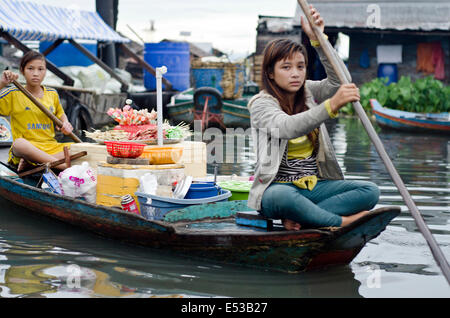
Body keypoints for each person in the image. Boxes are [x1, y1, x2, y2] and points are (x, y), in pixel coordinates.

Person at [247, 6, 380, 230]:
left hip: (313, 187)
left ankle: (302, 217)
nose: (296, 73)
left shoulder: (307, 91)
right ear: (271, 73)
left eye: (300, 66)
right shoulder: (261, 103)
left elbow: (341, 80)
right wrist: (331, 105)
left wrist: (318, 39)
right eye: (286, 67)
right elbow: (287, 127)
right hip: (276, 189)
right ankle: (341, 222)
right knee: (284, 198)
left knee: (370, 192)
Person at [0, 51, 74, 171]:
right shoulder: (13, 93)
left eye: (40, 69)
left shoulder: (52, 93)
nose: (36, 73)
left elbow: (60, 113)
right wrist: (2, 83)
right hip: (27, 148)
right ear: (22, 70)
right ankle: (61, 165)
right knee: (19, 144)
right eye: (30, 68)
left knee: (82, 148)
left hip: (50, 146)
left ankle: (34, 163)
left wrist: (65, 123)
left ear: (45, 72)